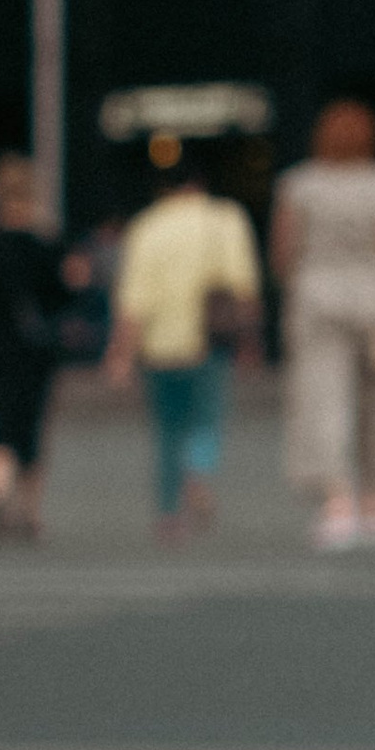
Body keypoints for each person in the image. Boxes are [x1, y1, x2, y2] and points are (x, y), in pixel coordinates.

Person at [269, 101, 375, 555]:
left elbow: (284, 253)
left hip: (317, 296)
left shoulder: (298, 184)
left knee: (324, 399)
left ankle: (338, 503)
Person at [105, 153, 261, 544]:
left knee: (168, 430)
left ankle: (169, 514)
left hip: (160, 344)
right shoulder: (226, 219)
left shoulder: (147, 226)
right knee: (205, 418)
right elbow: (243, 286)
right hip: (209, 340)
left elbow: (134, 298)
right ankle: (198, 474)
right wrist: (250, 340)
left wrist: (121, 353)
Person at [0, 154, 76, 543]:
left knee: (2, 424)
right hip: (35, 351)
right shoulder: (46, 245)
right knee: (33, 427)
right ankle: (30, 509)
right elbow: (64, 296)